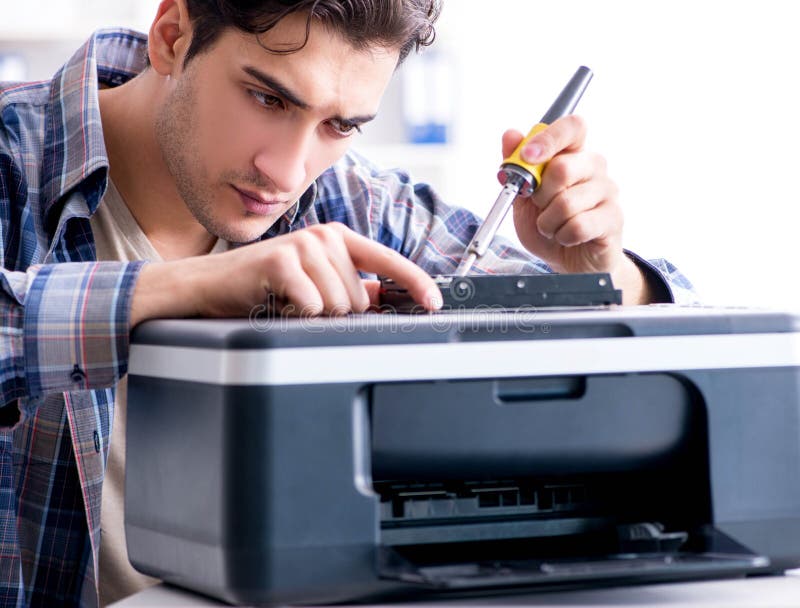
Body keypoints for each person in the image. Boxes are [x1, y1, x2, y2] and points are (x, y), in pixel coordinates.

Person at [0, 0, 695, 605]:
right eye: (269, 99)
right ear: (173, 34)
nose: (287, 171)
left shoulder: (351, 200)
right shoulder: (12, 160)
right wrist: (187, 289)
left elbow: (677, 346)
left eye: (340, 126)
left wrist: (600, 273)